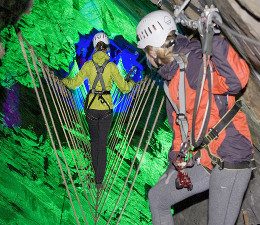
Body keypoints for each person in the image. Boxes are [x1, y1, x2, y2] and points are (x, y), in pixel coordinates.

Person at [136, 10, 254, 225]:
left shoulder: (196, 62)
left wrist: (214, 38)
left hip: (230, 154)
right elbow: (180, 128)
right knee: (158, 198)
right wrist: (175, 162)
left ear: (153, 51)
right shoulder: (170, 80)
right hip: (207, 157)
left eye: (147, 51)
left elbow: (236, 80)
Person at [62, 32, 135, 189]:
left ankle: (95, 171)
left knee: (94, 142)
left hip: (91, 109)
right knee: (102, 145)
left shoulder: (88, 65)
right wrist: (131, 84)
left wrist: (63, 80)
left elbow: (74, 83)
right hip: (106, 109)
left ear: (95, 48)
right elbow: (124, 88)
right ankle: (99, 180)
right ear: (107, 48)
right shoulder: (112, 67)